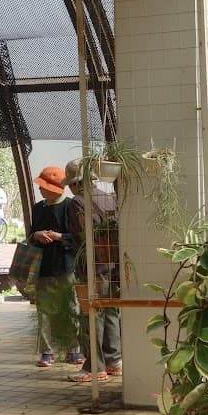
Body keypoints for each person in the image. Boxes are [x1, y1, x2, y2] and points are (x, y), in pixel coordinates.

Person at [63, 159, 123, 383]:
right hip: (112, 265)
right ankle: (114, 360)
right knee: (111, 312)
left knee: (91, 315)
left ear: (74, 183)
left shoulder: (77, 203)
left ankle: (93, 367)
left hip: (90, 267)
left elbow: (81, 236)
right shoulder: (109, 198)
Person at [30, 165, 82, 367]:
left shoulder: (72, 206)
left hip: (67, 266)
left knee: (71, 307)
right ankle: (46, 351)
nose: (40, 189)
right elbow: (31, 234)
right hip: (43, 267)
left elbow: (79, 237)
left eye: (43, 186)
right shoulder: (38, 208)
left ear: (54, 188)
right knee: (43, 311)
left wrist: (59, 237)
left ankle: (74, 349)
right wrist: (36, 235)